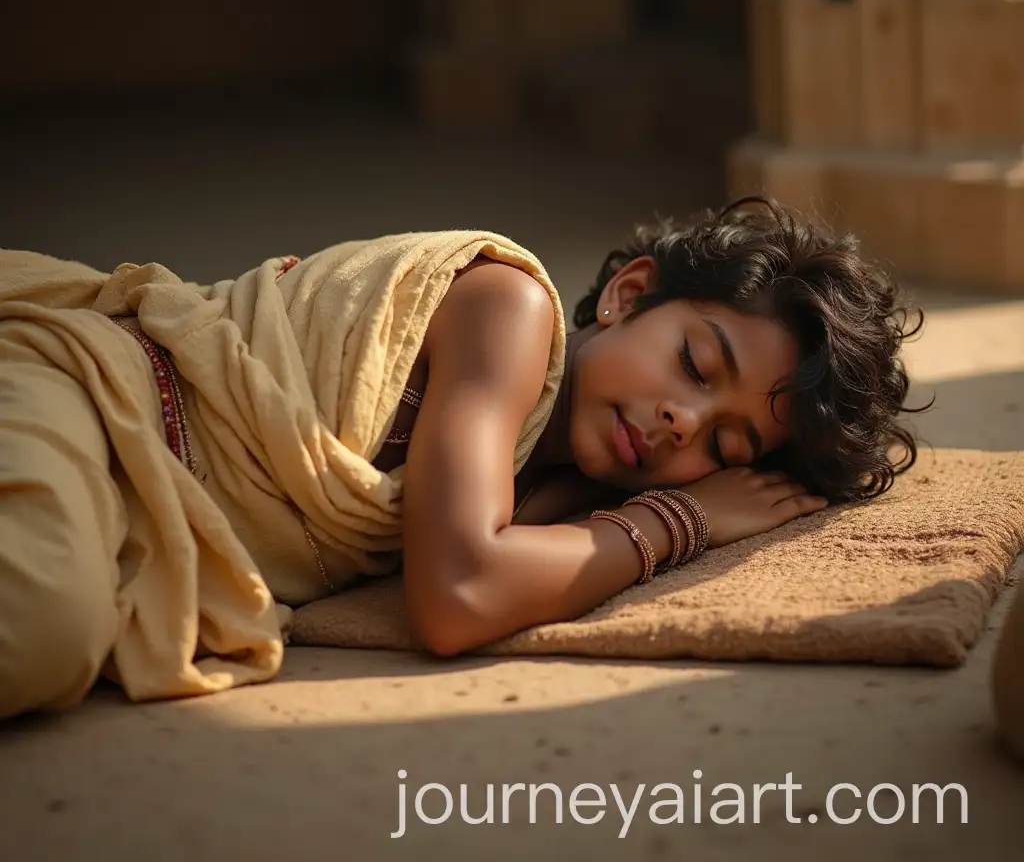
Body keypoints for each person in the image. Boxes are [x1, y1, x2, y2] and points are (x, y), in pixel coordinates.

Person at [0, 197, 922, 719]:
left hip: (135, 498)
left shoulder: (557, 488)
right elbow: (460, 595)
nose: (684, 421)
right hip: (83, 389)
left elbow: (503, 557)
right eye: (695, 363)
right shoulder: (506, 311)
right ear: (630, 296)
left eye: (724, 446)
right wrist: (684, 521)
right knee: (43, 625)